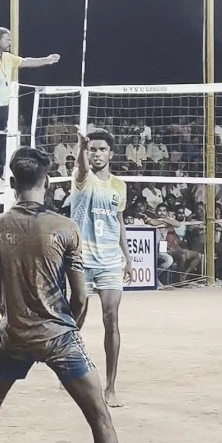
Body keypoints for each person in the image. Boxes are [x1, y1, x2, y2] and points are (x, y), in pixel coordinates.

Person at [0, 147, 159, 443]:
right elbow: (80, 296)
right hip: (56, 336)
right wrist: (71, 328)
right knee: (99, 415)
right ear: (47, 182)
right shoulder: (64, 227)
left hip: (12, 334)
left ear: (13, 183)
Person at [71, 129, 133, 408]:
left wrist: (127, 257)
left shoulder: (119, 186)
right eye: (92, 149)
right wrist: (80, 148)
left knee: (112, 319)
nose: (96, 154)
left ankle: (111, 387)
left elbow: (119, 222)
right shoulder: (82, 180)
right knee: (74, 322)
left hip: (109, 261)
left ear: (111, 153)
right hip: (82, 261)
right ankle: (72, 375)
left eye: (101, 149)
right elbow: (81, 169)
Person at [0, 26, 60, 184]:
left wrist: (47, 59)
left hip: (4, 106)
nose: (10, 42)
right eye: (7, 39)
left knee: (1, 143)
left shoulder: (7, 57)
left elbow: (26, 61)